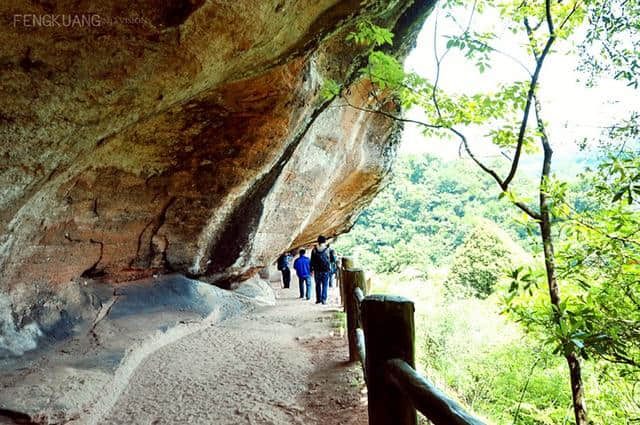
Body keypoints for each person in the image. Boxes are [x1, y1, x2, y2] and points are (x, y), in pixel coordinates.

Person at [310, 235, 332, 304]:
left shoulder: (314, 250)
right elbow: (332, 259)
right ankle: (324, 300)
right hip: (325, 270)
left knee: (318, 285)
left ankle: (318, 299)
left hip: (317, 270)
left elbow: (312, 261)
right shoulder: (328, 249)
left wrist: (311, 270)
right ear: (325, 241)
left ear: (318, 241)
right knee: (325, 285)